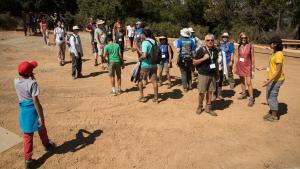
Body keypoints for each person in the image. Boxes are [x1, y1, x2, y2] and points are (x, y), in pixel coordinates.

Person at [14, 61, 55, 169]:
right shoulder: (32, 84)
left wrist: (30, 76)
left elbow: (24, 80)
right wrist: (40, 116)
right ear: (30, 72)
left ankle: (28, 160)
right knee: (42, 128)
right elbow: (35, 101)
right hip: (33, 110)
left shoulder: (16, 81)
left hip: (23, 110)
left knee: (27, 136)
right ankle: (47, 145)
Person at [257, 36, 285, 122]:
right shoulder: (274, 53)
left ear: (275, 44)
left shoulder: (279, 54)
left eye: (271, 43)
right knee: (268, 96)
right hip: (272, 79)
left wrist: (269, 81)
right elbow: (271, 66)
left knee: (272, 97)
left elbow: (278, 70)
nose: (270, 44)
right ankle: (272, 111)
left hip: (276, 80)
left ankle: (274, 116)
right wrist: (263, 68)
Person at [193, 34, 219, 116]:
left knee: (210, 91)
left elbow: (216, 62)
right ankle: (200, 106)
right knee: (202, 92)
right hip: (203, 74)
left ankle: (208, 107)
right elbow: (194, 62)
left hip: (212, 74)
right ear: (205, 41)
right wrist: (204, 58)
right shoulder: (201, 50)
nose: (210, 41)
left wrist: (217, 73)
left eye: (211, 40)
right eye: (208, 40)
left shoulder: (215, 50)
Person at [234, 32, 255, 107]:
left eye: (245, 38)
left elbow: (252, 57)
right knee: (242, 81)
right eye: (242, 38)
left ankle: (251, 98)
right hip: (240, 65)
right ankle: (244, 93)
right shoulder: (238, 46)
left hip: (248, 66)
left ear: (247, 38)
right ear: (240, 38)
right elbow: (237, 56)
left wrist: (253, 68)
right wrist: (235, 66)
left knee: (249, 82)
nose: (243, 39)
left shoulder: (250, 46)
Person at [137, 29, 159, 103]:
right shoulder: (155, 41)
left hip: (145, 64)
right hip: (154, 64)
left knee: (139, 80)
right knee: (154, 81)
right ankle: (156, 98)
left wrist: (139, 59)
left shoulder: (145, 42)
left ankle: (142, 97)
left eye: (141, 34)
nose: (140, 35)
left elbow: (144, 55)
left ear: (144, 35)